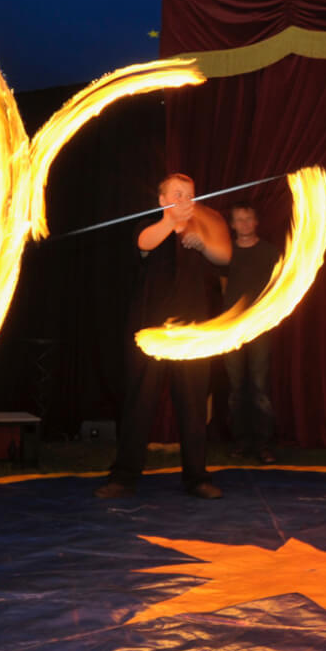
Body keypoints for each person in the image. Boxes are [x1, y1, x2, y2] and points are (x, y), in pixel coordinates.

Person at [97, 173, 231, 500]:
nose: (185, 200)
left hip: (191, 334)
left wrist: (202, 244)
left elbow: (224, 256)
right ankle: (124, 477)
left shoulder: (203, 227)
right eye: (177, 194)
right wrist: (171, 222)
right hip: (150, 331)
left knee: (193, 404)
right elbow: (144, 244)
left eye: (189, 194)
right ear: (162, 199)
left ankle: (197, 478)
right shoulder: (150, 225)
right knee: (139, 402)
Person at [221, 201, 280, 464]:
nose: (244, 223)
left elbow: (278, 286)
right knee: (236, 387)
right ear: (232, 225)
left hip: (259, 327)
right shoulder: (225, 252)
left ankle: (263, 445)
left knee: (259, 385)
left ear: (256, 222)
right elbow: (224, 284)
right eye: (239, 219)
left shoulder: (269, 252)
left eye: (248, 218)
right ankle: (241, 442)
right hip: (231, 328)